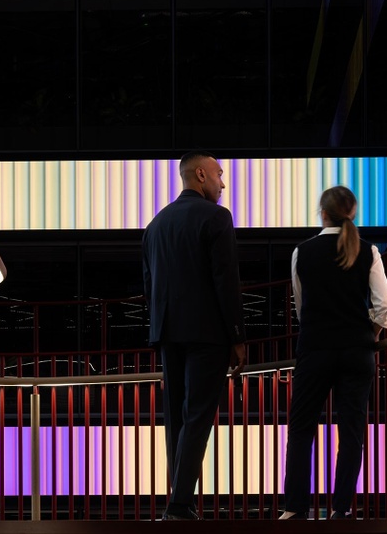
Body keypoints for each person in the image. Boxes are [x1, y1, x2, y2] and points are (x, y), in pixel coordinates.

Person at [142, 151, 247, 521]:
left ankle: (179, 500)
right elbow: (226, 282)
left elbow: (149, 285)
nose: (223, 182)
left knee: (177, 417)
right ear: (200, 174)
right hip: (207, 333)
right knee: (198, 415)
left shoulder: (156, 224)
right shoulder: (217, 217)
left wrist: (158, 328)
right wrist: (236, 335)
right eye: (219, 174)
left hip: (167, 332)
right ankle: (180, 504)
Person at [280, 185, 387, 521]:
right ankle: (341, 509)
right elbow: (384, 305)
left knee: (301, 429)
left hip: (315, 349)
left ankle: (295, 508)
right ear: (351, 214)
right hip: (357, 352)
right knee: (351, 431)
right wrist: (367, 334)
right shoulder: (369, 250)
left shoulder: (302, 251)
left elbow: (301, 306)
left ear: (323, 212)